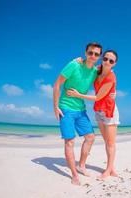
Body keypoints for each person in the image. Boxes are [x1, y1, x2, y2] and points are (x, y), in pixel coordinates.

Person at [53, 42, 102, 185]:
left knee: (91, 137)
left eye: (96, 54)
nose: (93, 56)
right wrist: (55, 107)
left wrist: (112, 91)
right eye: (90, 53)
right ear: (86, 53)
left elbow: (106, 73)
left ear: (99, 56)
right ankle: (74, 174)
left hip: (80, 110)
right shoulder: (74, 65)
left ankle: (81, 165)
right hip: (65, 108)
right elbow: (57, 84)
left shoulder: (95, 72)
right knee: (70, 141)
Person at [67, 50, 120, 179]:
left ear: (114, 64)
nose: (107, 62)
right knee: (106, 141)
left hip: (109, 110)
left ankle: (108, 170)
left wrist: (78, 95)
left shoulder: (111, 77)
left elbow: (97, 97)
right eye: (106, 58)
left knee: (111, 143)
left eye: (111, 61)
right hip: (99, 110)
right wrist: (77, 61)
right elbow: (87, 66)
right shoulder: (98, 70)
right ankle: (110, 168)